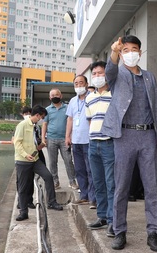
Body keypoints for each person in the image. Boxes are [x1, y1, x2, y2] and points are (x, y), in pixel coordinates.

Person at [103, 35, 157, 252]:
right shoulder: (117, 74)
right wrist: (113, 52)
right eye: (126, 50)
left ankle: (153, 232)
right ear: (121, 54)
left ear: (140, 52)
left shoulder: (149, 77)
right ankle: (119, 231)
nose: (131, 53)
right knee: (121, 186)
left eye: (134, 49)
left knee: (151, 187)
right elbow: (109, 71)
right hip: (124, 136)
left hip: (147, 136)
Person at [13, 105, 64, 221]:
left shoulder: (35, 127)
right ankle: (23, 212)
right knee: (23, 187)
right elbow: (17, 143)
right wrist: (26, 155)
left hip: (35, 159)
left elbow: (34, 143)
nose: (41, 119)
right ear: (37, 115)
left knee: (48, 176)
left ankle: (52, 202)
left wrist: (40, 146)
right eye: (41, 117)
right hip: (23, 161)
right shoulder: (22, 125)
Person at [85, 61, 116, 238]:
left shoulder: (115, 94)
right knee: (98, 183)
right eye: (94, 74)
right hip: (93, 143)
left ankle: (113, 220)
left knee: (111, 183)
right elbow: (90, 121)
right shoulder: (89, 98)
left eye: (100, 73)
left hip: (109, 143)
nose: (97, 76)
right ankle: (102, 216)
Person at [66, 75, 95, 205]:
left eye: (81, 83)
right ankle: (84, 195)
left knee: (91, 170)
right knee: (79, 170)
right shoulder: (72, 101)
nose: (78, 86)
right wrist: (67, 136)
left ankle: (93, 198)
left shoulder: (92, 97)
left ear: (87, 83)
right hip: (76, 140)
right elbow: (70, 119)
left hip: (89, 140)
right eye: (76, 84)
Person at [42, 88, 77, 189]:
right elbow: (44, 124)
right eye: (52, 95)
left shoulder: (67, 108)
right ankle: (55, 181)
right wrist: (43, 138)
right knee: (52, 162)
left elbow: (71, 122)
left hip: (64, 139)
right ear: (49, 97)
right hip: (51, 139)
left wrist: (70, 137)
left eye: (57, 95)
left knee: (68, 160)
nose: (54, 97)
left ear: (61, 96)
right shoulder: (47, 110)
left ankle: (72, 181)